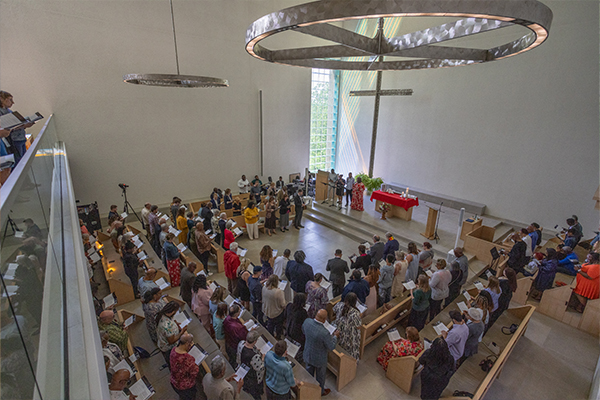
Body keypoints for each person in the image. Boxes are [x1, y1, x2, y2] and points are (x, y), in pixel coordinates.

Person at [302, 309, 339, 396]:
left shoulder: (307, 322)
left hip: (308, 353)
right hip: (320, 359)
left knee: (308, 374)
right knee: (320, 377)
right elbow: (331, 346)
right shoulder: (324, 333)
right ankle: (320, 391)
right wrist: (335, 337)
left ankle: (309, 389)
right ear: (324, 320)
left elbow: (303, 331)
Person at [156, 301, 187, 367]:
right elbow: (171, 341)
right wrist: (182, 332)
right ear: (173, 311)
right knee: (172, 361)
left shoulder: (164, 314)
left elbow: (172, 320)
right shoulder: (167, 325)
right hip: (168, 348)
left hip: (162, 340)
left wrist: (176, 324)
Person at [170, 332, 200, 400]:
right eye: (190, 344)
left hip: (174, 381)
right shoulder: (188, 358)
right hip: (185, 387)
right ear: (187, 343)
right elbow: (194, 373)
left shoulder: (173, 350)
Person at [332, 292, 362, 359]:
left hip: (338, 328)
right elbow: (358, 326)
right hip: (348, 333)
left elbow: (333, 311)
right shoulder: (355, 313)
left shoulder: (339, 304)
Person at [236, 331, 265, 400]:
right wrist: (263, 358)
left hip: (243, 367)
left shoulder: (241, 343)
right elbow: (260, 367)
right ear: (255, 341)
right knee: (255, 391)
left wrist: (255, 349)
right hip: (252, 376)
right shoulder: (254, 356)